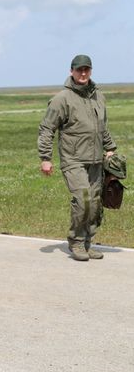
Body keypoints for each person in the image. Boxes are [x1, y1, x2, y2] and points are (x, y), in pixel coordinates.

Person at [38, 54, 116, 261]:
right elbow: (47, 129)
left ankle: (88, 242)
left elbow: (102, 126)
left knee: (95, 203)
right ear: (71, 71)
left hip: (96, 160)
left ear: (90, 71)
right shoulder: (61, 99)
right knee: (83, 200)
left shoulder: (98, 95)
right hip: (73, 159)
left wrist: (110, 148)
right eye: (79, 70)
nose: (83, 73)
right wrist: (46, 158)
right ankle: (76, 241)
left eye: (86, 70)